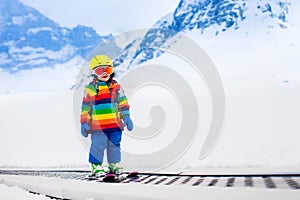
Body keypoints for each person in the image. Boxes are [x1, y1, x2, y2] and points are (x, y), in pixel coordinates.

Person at [80, 55, 134, 177]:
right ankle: (96, 166)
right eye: (100, 70)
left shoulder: (116, 87)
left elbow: (123, 103)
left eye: (108, 70)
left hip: (115, 125)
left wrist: (126, 117)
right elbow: (85, 108)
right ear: (93, 73)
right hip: (98, 127)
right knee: (98, 145)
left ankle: (114, 164)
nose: (104, 73)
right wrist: (84, 122)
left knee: (115, 145)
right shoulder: (90, 89)